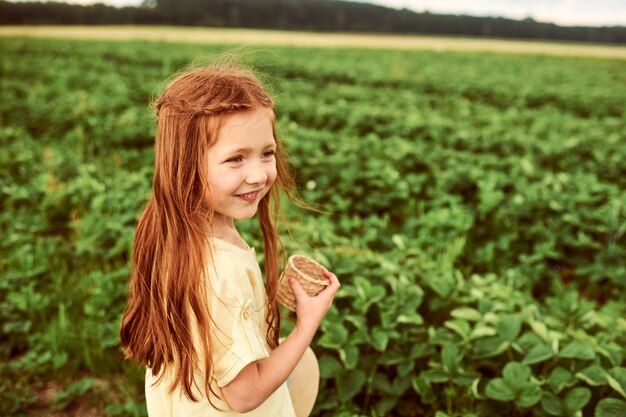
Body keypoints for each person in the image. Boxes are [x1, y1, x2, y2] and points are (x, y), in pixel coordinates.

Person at [119, 63, 340, 416]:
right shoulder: (222, 270)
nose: (258, 174)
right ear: (186, 165)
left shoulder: (174, 229)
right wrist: (306, 325)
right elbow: (244, 395)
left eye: (266, 153)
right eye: (235, 159)